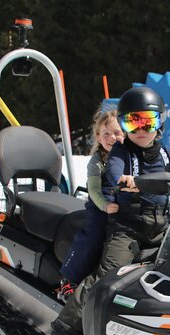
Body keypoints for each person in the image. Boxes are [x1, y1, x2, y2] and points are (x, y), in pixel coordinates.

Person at [46, 86, 170, 335]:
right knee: (107, 277)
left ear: (159, 122)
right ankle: (62, 333)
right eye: (132, 122)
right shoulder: (122, 153)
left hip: (163, 228)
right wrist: (129, 181)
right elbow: (113, 172)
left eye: (148, 121)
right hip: (127, 229)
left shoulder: (166, 155)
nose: (141, 129)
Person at [55, 109, 124, 301]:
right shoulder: (97, 161)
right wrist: (104, 205)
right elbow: (94, 189)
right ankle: (70, 279)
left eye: (117, 132)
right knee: (93, 236)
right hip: (101, 206)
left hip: (126, 208)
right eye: (106, 134)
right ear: (99, 137)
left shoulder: (130, 157)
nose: (112, 138)